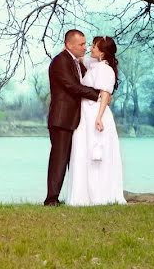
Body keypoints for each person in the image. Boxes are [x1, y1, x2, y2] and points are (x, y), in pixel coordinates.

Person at [66, 35, 127, 206]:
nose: (90, 48)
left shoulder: (105, 70)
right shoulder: (95, 65)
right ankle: (83, 194)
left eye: (93, 46)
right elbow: (81, 58)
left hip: (95, 114)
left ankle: (99, 193)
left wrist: (99, 117)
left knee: (95, 153)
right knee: (83, 151)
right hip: (85, 113)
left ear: (101, 52)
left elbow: (105, 94)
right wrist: (69, 48)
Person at [44, 29, 102, 206]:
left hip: (74, 119)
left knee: (74, 159)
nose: (85, 47)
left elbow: (91, 75)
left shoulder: (76, 62)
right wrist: (98, 94)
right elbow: (72, 86)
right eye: (81, 44)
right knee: (59, 159)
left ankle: (77, 196)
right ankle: (51, 199)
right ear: (69, 44)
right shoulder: (60, 61)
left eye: (86, 44)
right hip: (62, 119)